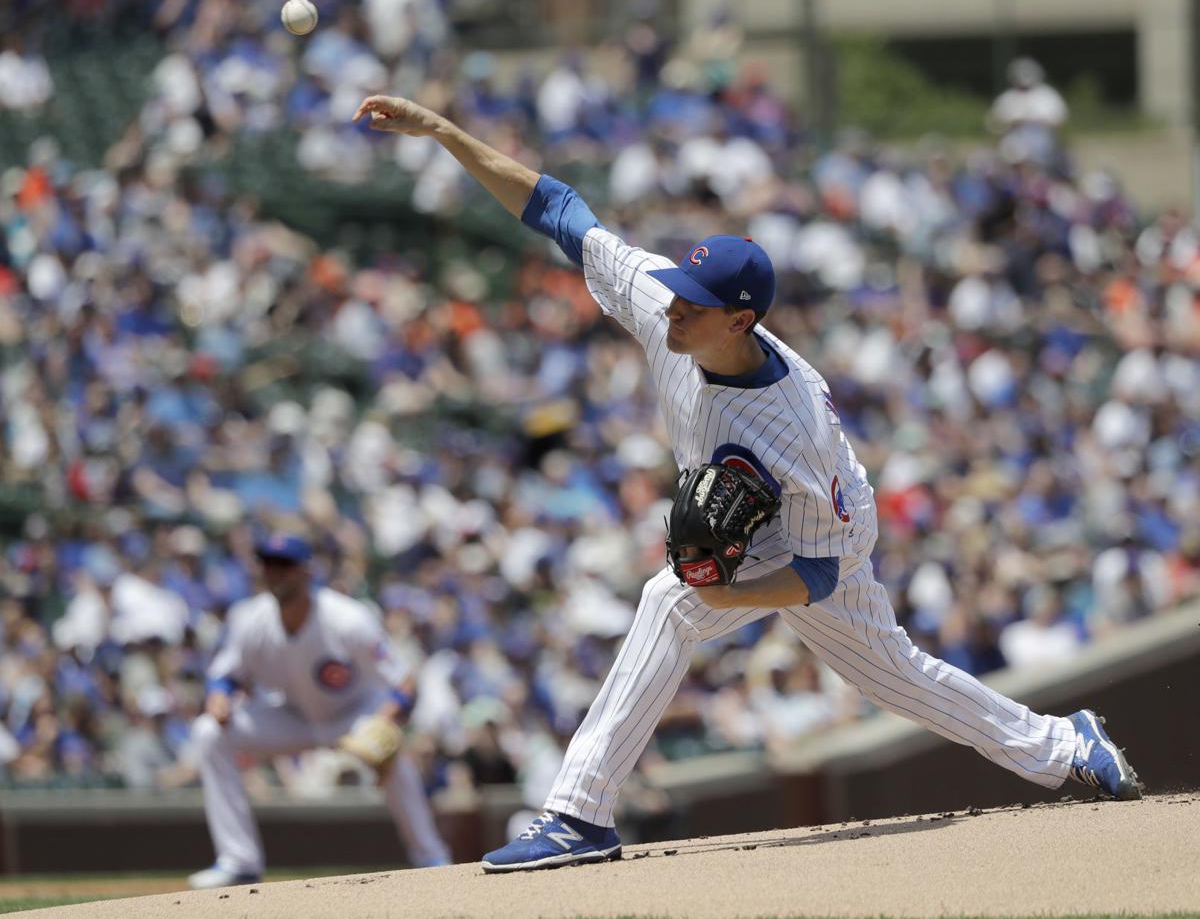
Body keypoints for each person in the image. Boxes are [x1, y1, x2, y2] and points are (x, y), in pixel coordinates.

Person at [351, 95, 1144, 874]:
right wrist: (443, 131)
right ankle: (1064, 743)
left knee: (831, 655)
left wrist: (724, 596)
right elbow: (559, 207)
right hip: (750, 504)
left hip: (820, 533)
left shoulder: (794, 428)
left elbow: (823, 570)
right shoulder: (667, 300)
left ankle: (577, 815)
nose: (673, 313)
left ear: (739, 320)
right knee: (813, 650)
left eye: (695, 307)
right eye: (680, 294)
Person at [186, 532, 450, 889]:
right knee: (209, 732)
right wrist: (218, 697)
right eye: (268, 564)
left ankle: (431, 857)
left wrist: (384, 720)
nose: (275, 572)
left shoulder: (348, 618)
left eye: (285, 565)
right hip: (291, 716)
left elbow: (404, 683)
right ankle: (239, 861)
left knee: (394, 753)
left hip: (353, 713)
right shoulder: (250, 618)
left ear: (307, 571)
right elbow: (225, 676)